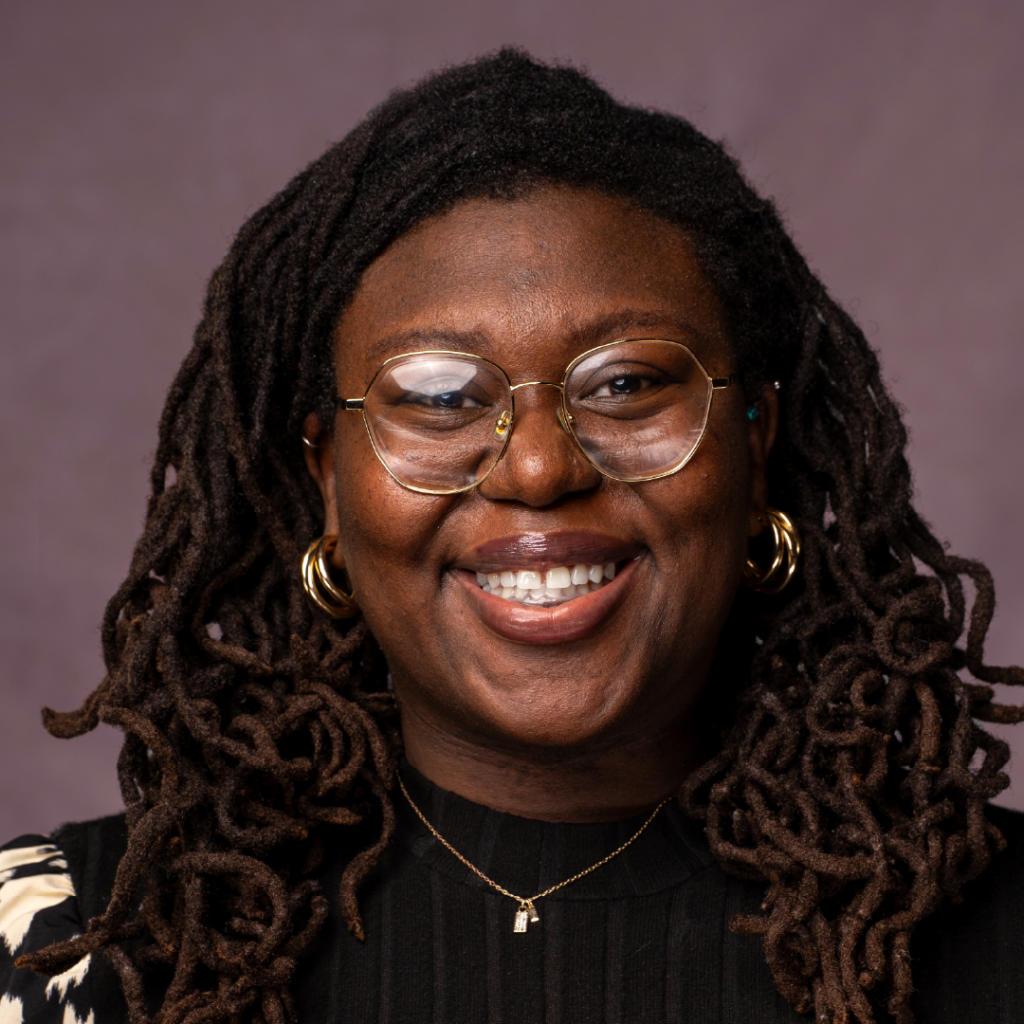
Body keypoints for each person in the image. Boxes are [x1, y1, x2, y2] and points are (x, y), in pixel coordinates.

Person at [1, 48, 1022, 1024]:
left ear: (754, 451)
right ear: (327, 485)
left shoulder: (993, 937)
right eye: (439, 395)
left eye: (625, 383)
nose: (538, 467)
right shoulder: (59, 949)